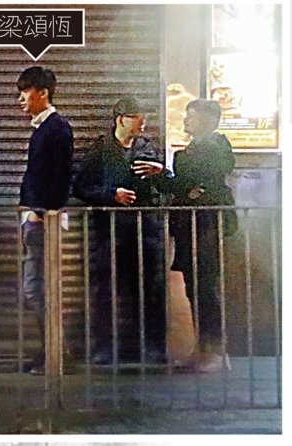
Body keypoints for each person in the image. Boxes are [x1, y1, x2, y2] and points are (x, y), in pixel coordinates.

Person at [72, 98, 170, 365]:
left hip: (146, 231)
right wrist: (111, 195)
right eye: (136, 116)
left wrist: (161, 172)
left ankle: (153, 348)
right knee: (105, 291)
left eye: (143, 116)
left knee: (150, 291)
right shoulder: (101, 150)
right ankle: (104, 349)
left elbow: (166, 186)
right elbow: (81, 187)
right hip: (111, 232)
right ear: (120, 119)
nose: (143, 122)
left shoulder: (148, 148)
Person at [164, 99, 236, 373]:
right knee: (193, 288)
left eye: (191, 115)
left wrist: (188, 187)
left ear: (207, 120)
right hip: (189, 227)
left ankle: (214, 350)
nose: (186, 120)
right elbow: (185, 185)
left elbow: (201, 182)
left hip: (206, 227)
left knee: (205, 289)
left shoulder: (215, 147)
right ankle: (201, 348)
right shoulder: (192, 150)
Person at [15, 66, 74, 375]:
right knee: (38, 288)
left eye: (25, 92)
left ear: (43, 93)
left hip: (42, 221)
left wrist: (42, 212)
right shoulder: (44, 128)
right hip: (36, 219)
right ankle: (50, 350)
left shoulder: (56, 128)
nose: (20, 99)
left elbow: (61, 176)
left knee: (36, 289)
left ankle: (55, 352)